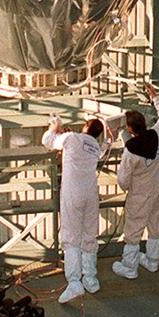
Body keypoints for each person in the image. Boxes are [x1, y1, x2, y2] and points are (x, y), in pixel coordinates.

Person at [42, 114, 109, 304]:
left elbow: (48, 141)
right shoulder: (95, 146)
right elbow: (102, 150)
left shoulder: (71, 138)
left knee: (70, 238)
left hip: (72, 194)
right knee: (89, 236)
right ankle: (90, 278)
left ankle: (74, 283)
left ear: (85, 127)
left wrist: (55, 126)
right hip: (90, 194)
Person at [112, 83, 159, 280]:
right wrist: (155, 97)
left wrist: (129, 189)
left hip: (140, 194)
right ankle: (153, 261)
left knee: (133, 231)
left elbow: (123, 179)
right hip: (157, 189)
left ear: (129, 129)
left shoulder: (130, 151)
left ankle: (129, 267)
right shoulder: (156, 134)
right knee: (155, 226)